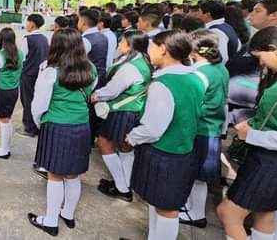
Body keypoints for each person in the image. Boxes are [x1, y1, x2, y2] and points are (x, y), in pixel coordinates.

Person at [126, 30, 206, 240]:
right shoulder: (197, 77)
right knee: (160, 203)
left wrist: (132, 137)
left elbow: (153, 128)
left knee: (166, 209)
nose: (149, 51)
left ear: (163, 49)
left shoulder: (163, 84)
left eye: (152, 46)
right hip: (184, 148)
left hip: (163, 153)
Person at [217, 27, 277, 240]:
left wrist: (251, 135)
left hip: (274, 163)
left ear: (275, 50)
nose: (260, 63)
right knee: (263, 216)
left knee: (228, 213)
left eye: (260, 57)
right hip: (268, 158)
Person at [28, 28, 98, 236]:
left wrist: (41, 123)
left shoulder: (51, 70)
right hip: (82, 125)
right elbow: (91, 90)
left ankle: (50, 221)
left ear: (56, 45)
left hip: (57, 126)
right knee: (73, 174)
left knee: (55, 175)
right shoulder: (91, 68)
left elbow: (38, 104)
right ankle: (67, 213)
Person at [91, 30, 152, 202]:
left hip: (121, 110)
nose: (119, 45)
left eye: (122, 42)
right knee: (126, 147)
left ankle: (121, 187)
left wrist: (97, 95)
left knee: (105, 143)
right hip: (133, 110)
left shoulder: (130, 67)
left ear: (131, 45)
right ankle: (124, 182)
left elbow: (113, 90)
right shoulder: (142, 61)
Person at [179, 29, 229, 229]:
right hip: (212, 126)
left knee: (198, 174)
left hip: (201, 128)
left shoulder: (201, 72)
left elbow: (198, 103)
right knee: (198, 173)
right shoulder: (219, 68)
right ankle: (191, 207)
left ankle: (196, 213)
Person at [0, 27, 23, 159]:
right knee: (7, 119)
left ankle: (4, 149)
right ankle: (6, 146)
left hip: (3, 91)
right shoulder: (19, 53)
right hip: (14, 90)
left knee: (4, 120)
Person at [19, 14, 48, 137]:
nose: (26, 25)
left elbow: (22, 58)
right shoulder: (44, 38)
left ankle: (29, 127)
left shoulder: (27, 39)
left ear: (32, 24)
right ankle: (36, 124)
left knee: (27, 100)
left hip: (28, 74)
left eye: (27, 22)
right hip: (40, 73)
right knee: (37, 99)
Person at [78, 9, 108, 88]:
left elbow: (77, 61)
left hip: (89, 80)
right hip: (101, 77)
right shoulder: (103, 36)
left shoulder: (85, 40)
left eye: (79, 20)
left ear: (83, 22)